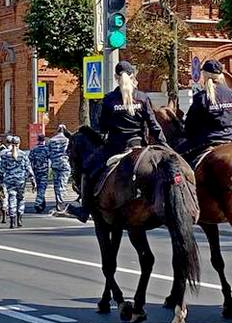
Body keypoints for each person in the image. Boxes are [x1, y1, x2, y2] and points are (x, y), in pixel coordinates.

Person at [62, 61, 166, 223]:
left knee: (88, 170)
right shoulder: (142, 98)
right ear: (133, 76)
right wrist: (164, 145)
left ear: (116, 77)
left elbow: (103, 127)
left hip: (115, 147)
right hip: (139, 145)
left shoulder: (110, 99)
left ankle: (84, 209)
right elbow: (153, 125)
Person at [181, 59, 232, 159]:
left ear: (205, 75)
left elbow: (190, 125)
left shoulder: (201, 97)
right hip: (230, 139)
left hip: (207, 142)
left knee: (179, 162)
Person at [0, 136, 30, 228]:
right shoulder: (23, 154)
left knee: (11, 198)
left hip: (9, 180)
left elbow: (1, 169)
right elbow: (28, 168)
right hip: (20, 180)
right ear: (19, 143)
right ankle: (19, 219)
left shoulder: (5, 155)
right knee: (21, 199)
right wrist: (33, 180)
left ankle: (12, 220)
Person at [45, 126, 71, 210]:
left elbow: (47, 153)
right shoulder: (67, 140)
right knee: (62, 184)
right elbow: (71, 152)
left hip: (55, 164)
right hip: (64, 164)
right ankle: (60, 203)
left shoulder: (51, 140)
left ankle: (58, 201)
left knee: (56, 184)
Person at [28, 134, 51, 213]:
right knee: (42, 188)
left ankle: (41, 202)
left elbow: (29, 160)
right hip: (44, 172)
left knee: (39, 188)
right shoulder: (46, 149)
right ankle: (38, 203)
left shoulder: (34, 149)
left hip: (36, 171)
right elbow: (51, 157)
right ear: (44, 140)